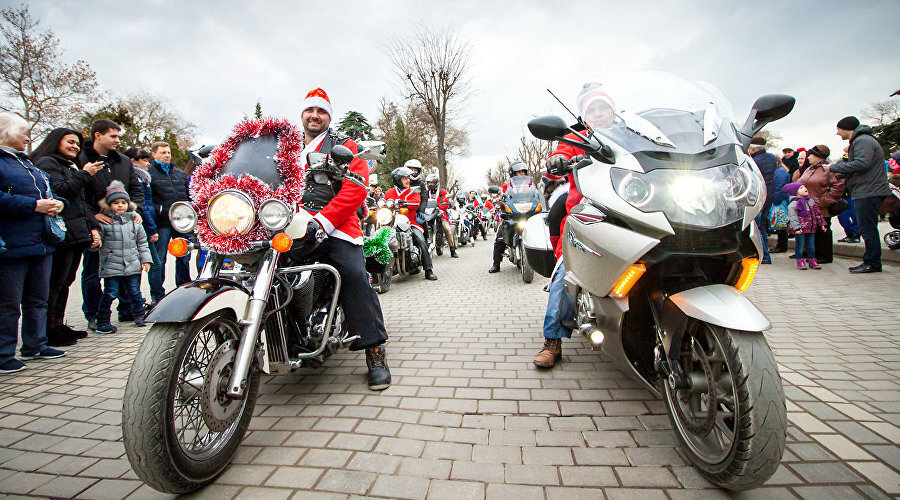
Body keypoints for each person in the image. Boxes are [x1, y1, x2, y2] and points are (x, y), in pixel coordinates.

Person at [296, 87, 391, 390]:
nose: (315, 116)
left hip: (336, 225)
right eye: (310, 111)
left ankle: (375, 350)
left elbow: (356, 190)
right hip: (289, 227)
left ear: (328, 117)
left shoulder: (346, 145)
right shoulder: (285, 148)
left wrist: (321, 221)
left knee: (352, 274)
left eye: (321, 111)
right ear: (302, 115)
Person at [533, 83, 616, 368]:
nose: (600, 113)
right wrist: (558, 159)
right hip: (587, 208)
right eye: (593, 109)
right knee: (568, 268)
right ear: (584, 114)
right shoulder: (576, 135)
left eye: (604, 107)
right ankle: (552, 340)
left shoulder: (630, 133)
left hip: (632, 205)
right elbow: (561, 153)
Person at [0, 113, 67, 374]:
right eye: (22, 132)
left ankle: (35, 344)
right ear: (6, 133)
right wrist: (33, 206)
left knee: (38, 298)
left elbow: (49, 193)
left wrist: (60, 203)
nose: (28, 137)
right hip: (12, 245)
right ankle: (4, 354)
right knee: (8, 302)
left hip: (41, 242)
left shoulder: (28, 164)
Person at [31, 128, 103, 346]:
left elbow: (82, 202)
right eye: (70, 142)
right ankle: (48, 328)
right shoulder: (47, 163)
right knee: (55, 282)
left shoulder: (69, 166)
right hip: (61, 232)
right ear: (56, 141)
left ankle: (58, 323)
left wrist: (92, 226)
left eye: (78, 144)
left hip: (76, 231)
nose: (75, 147)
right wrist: (84, 173)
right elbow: (61, 190)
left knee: (65, 282)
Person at [77, 120, 144, 331]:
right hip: (97, 226)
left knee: (128, 268)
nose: (117, 140)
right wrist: (93, 216)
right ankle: (94, 314)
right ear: (97, 135)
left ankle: (127, 309)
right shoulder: (82, 159)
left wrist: (134, 211)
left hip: (125, 225)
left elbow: (135, 189)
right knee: (93, 270)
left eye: (118, 136)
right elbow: (78, 193)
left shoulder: (123, 161)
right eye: (113, 136)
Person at [830, 116, 892, 273]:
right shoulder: (862, 140)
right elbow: (863, 165)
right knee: (867, 227)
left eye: (838, 129)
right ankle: (871, 260)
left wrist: (837, 167)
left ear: (846, 128)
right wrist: (843, 175)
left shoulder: (862, 141)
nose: (837, 133)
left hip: (868, 191)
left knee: (867, 228)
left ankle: (872, 262)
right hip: (867, 189)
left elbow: (862, 163)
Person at [93, 181, 152, 333]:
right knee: (110, 292)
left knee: (134, 291)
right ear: (108, 205)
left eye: (123, 202)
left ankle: (139, 315)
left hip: (132, 263)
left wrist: (145, 260)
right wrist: (94, 241)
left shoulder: (135, 223)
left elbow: (142, 243)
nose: (120, 206)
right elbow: (97, 240)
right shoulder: (105, 223)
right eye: (116, 203)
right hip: (112, 264)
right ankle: (102, 320)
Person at [148, 141, 191, 292]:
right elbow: (146, 200)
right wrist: (159, 210)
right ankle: (157, 294)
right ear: (154, 154)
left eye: (168, 152)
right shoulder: (149, 173)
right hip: (161, 224)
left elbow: (187, 196)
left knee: (184, 258)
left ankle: (183, 288)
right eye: (163, 152)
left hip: (181, 224)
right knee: (159, 260)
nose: (167, 155)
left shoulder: (179, 173)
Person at [384, 166, 438, 280]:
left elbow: (417, 202)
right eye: (405, 178)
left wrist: (406, 203)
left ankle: (428, 270)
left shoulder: (413, 191)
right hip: (392, 223)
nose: (408, 180)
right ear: (398, 180)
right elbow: (385, 203)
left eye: (408, 178)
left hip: (410, 222)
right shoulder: (389, 193)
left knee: (420, 240)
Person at [124, 148, 163, 305]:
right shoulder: (136, 179)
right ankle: (155, 297)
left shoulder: (143, 178)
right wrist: (151, 228)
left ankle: (134, 301)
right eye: (144, 160)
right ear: (133, 161)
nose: (148, 163)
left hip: (144, 224)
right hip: (142, 226)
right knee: (154, 263)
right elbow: (143, 206)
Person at [796, 145, 844, 264]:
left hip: (821, 207)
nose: (808, 158)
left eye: (811, 155)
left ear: (818, 157)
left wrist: (822, 202)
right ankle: (813, 254)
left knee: (823, 230)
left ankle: (824, 255)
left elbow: (838, 187)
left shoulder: (830, 169)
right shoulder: (809, 169)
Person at [489, 162, 530, 273]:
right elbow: (502, 196)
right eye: (518, 172)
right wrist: (500, 198)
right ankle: (496, 264)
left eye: (523, 172)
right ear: (513, 173)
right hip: (512, 216)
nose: (521, 174)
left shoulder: (530, 185)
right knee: (500, 238)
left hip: (527, 215)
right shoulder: (507, 186)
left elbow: (535, 196)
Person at [783, 182, 827, 270]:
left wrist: (822, 223)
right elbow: (793, 217)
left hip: (811, 228)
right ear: (795, 192)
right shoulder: (793, 204)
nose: (805, 189)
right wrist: (797, 228)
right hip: (800, 229)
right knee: (800, 245)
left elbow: (817, 213)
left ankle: (812, 261)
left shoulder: (811, 201)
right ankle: (800, 261)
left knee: (811, 245)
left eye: (804, 187)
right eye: (801, 188)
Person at [749, 136, 778, 264]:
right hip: (769, 196)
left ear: (752, 148)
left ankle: (764, 255)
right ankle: (765, 254)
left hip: (758, 197)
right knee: (763, 227)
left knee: (757, 227)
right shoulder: (771, 158)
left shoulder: (753, 161)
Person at [426, 173, 459, 258]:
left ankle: (452, 250)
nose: (430, 184)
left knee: (447, 229)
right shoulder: (426, 192)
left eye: (431, 183)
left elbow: (446, 203)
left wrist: (439, 206)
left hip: (441, 213)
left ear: (436, 183)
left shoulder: (442, 192)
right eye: (428, 182)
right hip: (429, 213)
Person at [769, 158, 791, 253]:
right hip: (780, 199)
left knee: (781, 224)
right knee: (779, 223)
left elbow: (779, 187)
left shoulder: (780, 172)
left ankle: (781, 246)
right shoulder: (779, 171)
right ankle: (781, 245)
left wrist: (776, 200)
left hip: (780, 201)